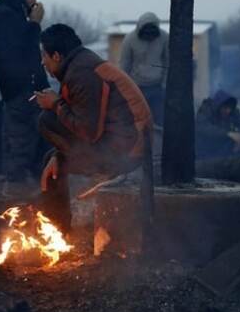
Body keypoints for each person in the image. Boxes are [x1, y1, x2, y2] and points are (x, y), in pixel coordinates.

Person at [33, 24, 152, 232]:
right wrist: (59, 154)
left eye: (44, 56)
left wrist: (55, 104)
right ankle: (57, 233)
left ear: (57, 56)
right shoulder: (79, 65)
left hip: (127, 151)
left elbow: (88, 131)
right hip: (117, 142)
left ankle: (59, 229)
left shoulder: (83, 73)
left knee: (46, 120)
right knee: (51, 162)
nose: (42, 62)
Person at [0, 0, 49, 192]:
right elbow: (18, 52)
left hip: (24, 87)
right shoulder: (5, 17)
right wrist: (34, 25)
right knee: (21, 137)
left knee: (32, 135)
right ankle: (18, 186)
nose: (34, 2)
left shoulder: (13, 17)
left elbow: (32, 56)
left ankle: (26, 182)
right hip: (18, 88)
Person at [120, 12, 169, 127]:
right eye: (146, 33)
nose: (149, 36)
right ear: (140, 29)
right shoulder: (129, 39)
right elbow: (125, 63)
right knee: (137, 120)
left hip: (157, 87)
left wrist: (165, 84)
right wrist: (123, 87)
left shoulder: (165, 38)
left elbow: (168, 61)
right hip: (136, 86)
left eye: (152, 33)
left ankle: (159, 143)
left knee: (160, 120)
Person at [195, 90, 240, 160]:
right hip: (205, 151)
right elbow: (202, 127)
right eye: (225, 108)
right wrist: (228, 134)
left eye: (230, 108)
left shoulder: (232, 112)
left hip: (226, 149)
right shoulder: (206, 109)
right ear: (218, 106)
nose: (228, 111)